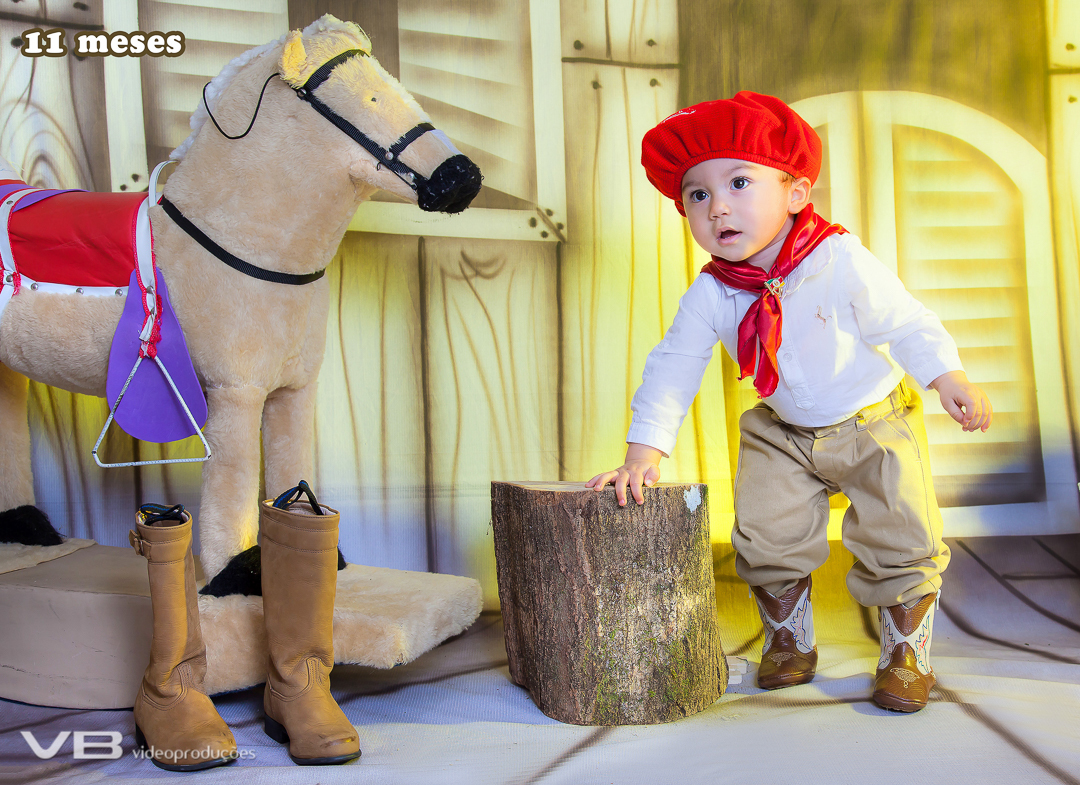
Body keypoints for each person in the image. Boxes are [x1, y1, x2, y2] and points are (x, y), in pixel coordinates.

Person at [585, 92, 992, 712]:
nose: (718, 207)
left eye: (738, 182)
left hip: (873, 422)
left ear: (796, 192)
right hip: (784, 432)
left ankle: (906, 655)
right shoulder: (713, 292)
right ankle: (788, 642)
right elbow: (674, 366)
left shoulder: (837, 257)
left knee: (902, 534)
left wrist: (947, 376)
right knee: (765, 534)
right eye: (697, 195)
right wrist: (644, 452)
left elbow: (903, 321)